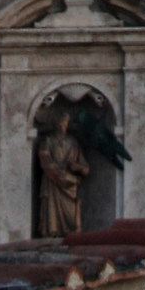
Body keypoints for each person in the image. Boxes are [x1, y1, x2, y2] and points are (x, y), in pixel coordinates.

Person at [34, 100, 92, 237]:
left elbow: (86, 168)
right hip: (52, 183)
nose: (62, 126)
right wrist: (62, 176)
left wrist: (77, 168)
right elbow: (45, 162)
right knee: (51, 219)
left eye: (65, 122)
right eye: (60, 122)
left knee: (72, 220)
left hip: (70, 187)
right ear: (54, 124)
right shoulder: (47, 141)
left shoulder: (73, 143)